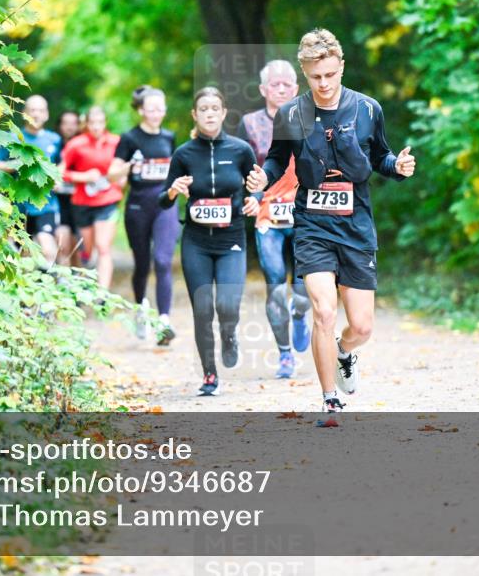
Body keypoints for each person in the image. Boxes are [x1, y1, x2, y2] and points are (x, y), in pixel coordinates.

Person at [259, 28, 416, 412]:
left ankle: (345, 353)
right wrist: (264, 176)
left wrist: (398, 166)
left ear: (341, 67)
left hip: (355, 224)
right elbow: (278, 158)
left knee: (361, 327)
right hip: (312, 224)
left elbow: (380, 156)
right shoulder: (292, 113)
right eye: (316, 77)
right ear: (305, 72)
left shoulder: (366, 109)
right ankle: (330, 400)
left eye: (330, 74)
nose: (324, 83)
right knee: (324, 311)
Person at [160, 86, 267, 396]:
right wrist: (172, 190)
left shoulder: (240, 150)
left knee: (227, 305)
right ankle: (209, 374)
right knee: (203, 308)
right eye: (203, 108)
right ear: (195, 115)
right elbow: (163, 201)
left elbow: (256, 185)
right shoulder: (183, 154)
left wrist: (255, 200)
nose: (209, 113)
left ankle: (229, 333)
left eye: (214, 108)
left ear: (223, 113)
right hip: (196, 241)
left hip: (231, 238)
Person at [236, 60, 311, 378]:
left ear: (295, 89)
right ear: (263, 90)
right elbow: (242, 170)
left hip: (307, 211)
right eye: (275, 84)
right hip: (268, 214)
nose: (281, 89)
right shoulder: (250, 124)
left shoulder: (311, 117)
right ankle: (284, 355)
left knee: (303, 293)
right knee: (276, 286)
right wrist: (249, 200)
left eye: (287, 84)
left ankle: (300, 315)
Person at [108, 86, 181, 345]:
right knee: (142, 264)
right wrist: (130, 165)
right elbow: (112, 174)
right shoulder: (129, 139)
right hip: (138, 206)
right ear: (140, 110)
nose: (156, 113)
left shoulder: (169, 137)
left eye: (161, 108)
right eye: (151, 109)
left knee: (162, 261)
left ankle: (163, 321)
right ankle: (141, 309)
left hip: (165, 205)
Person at [0, 95, 62, 268]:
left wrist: (57, 179)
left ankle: (49, 284)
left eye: (40, 110)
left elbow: (60, 166)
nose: (36, 114)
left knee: (47, 249)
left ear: (46, 114)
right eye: (32, 110)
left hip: (45, 204)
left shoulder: (55, 140)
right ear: (24, 113)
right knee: (19, 253)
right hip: (17, 204)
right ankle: (24, 289)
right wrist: (19, 165)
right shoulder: (12, 137)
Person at [61, 106, 124, 288]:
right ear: (86, 124)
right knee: (86, 251)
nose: (96, 127)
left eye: (100, 123)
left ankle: (102, 295)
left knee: (103, 247)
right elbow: (60, 172)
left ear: (105, 123)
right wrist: (83, 177)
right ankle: (83, 281)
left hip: (108, 200)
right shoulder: (76, 144)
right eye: (92, 123)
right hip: (82, 203)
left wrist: (122, 176)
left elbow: (124, 166)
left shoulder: (115, 142)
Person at [53, 110, 82, 266]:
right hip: (59, 201)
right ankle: (64, 281)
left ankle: (79, 280)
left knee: (77, 244)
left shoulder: (83, 146)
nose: (70, 127)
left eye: (73, 123)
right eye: (66, 123)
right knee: (63, 243)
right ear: (59, 125)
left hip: (80, 202)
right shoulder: (53, 145)